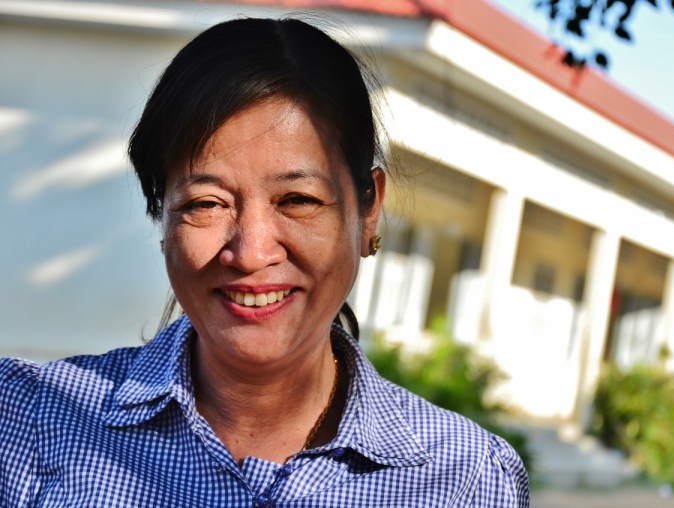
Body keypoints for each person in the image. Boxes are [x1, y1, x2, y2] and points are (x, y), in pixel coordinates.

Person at [0, 17, 529, 507]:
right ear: (162, 217)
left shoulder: (466, 479)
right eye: (206, 204)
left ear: (368, 209)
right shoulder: (26, 422)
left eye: (298, 200)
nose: (251, 253)